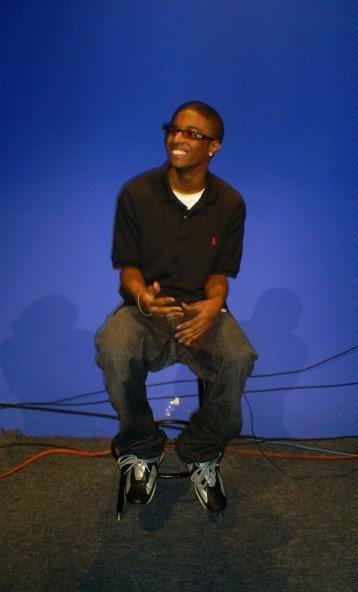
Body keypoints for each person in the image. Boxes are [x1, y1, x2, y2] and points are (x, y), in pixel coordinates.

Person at [95, 101, 257, 513]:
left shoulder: (230, 203)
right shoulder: (137, 194)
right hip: (145, 312)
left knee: (239, 357)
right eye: (174, 129)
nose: (178, 139)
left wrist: (214, 306)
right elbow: (129, 270)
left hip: (201, 311)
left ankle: (202, 450)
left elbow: (220, 273)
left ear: (214, 147)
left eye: (192, 134)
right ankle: (141, 449)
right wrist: (142, 298)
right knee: (113, 346)